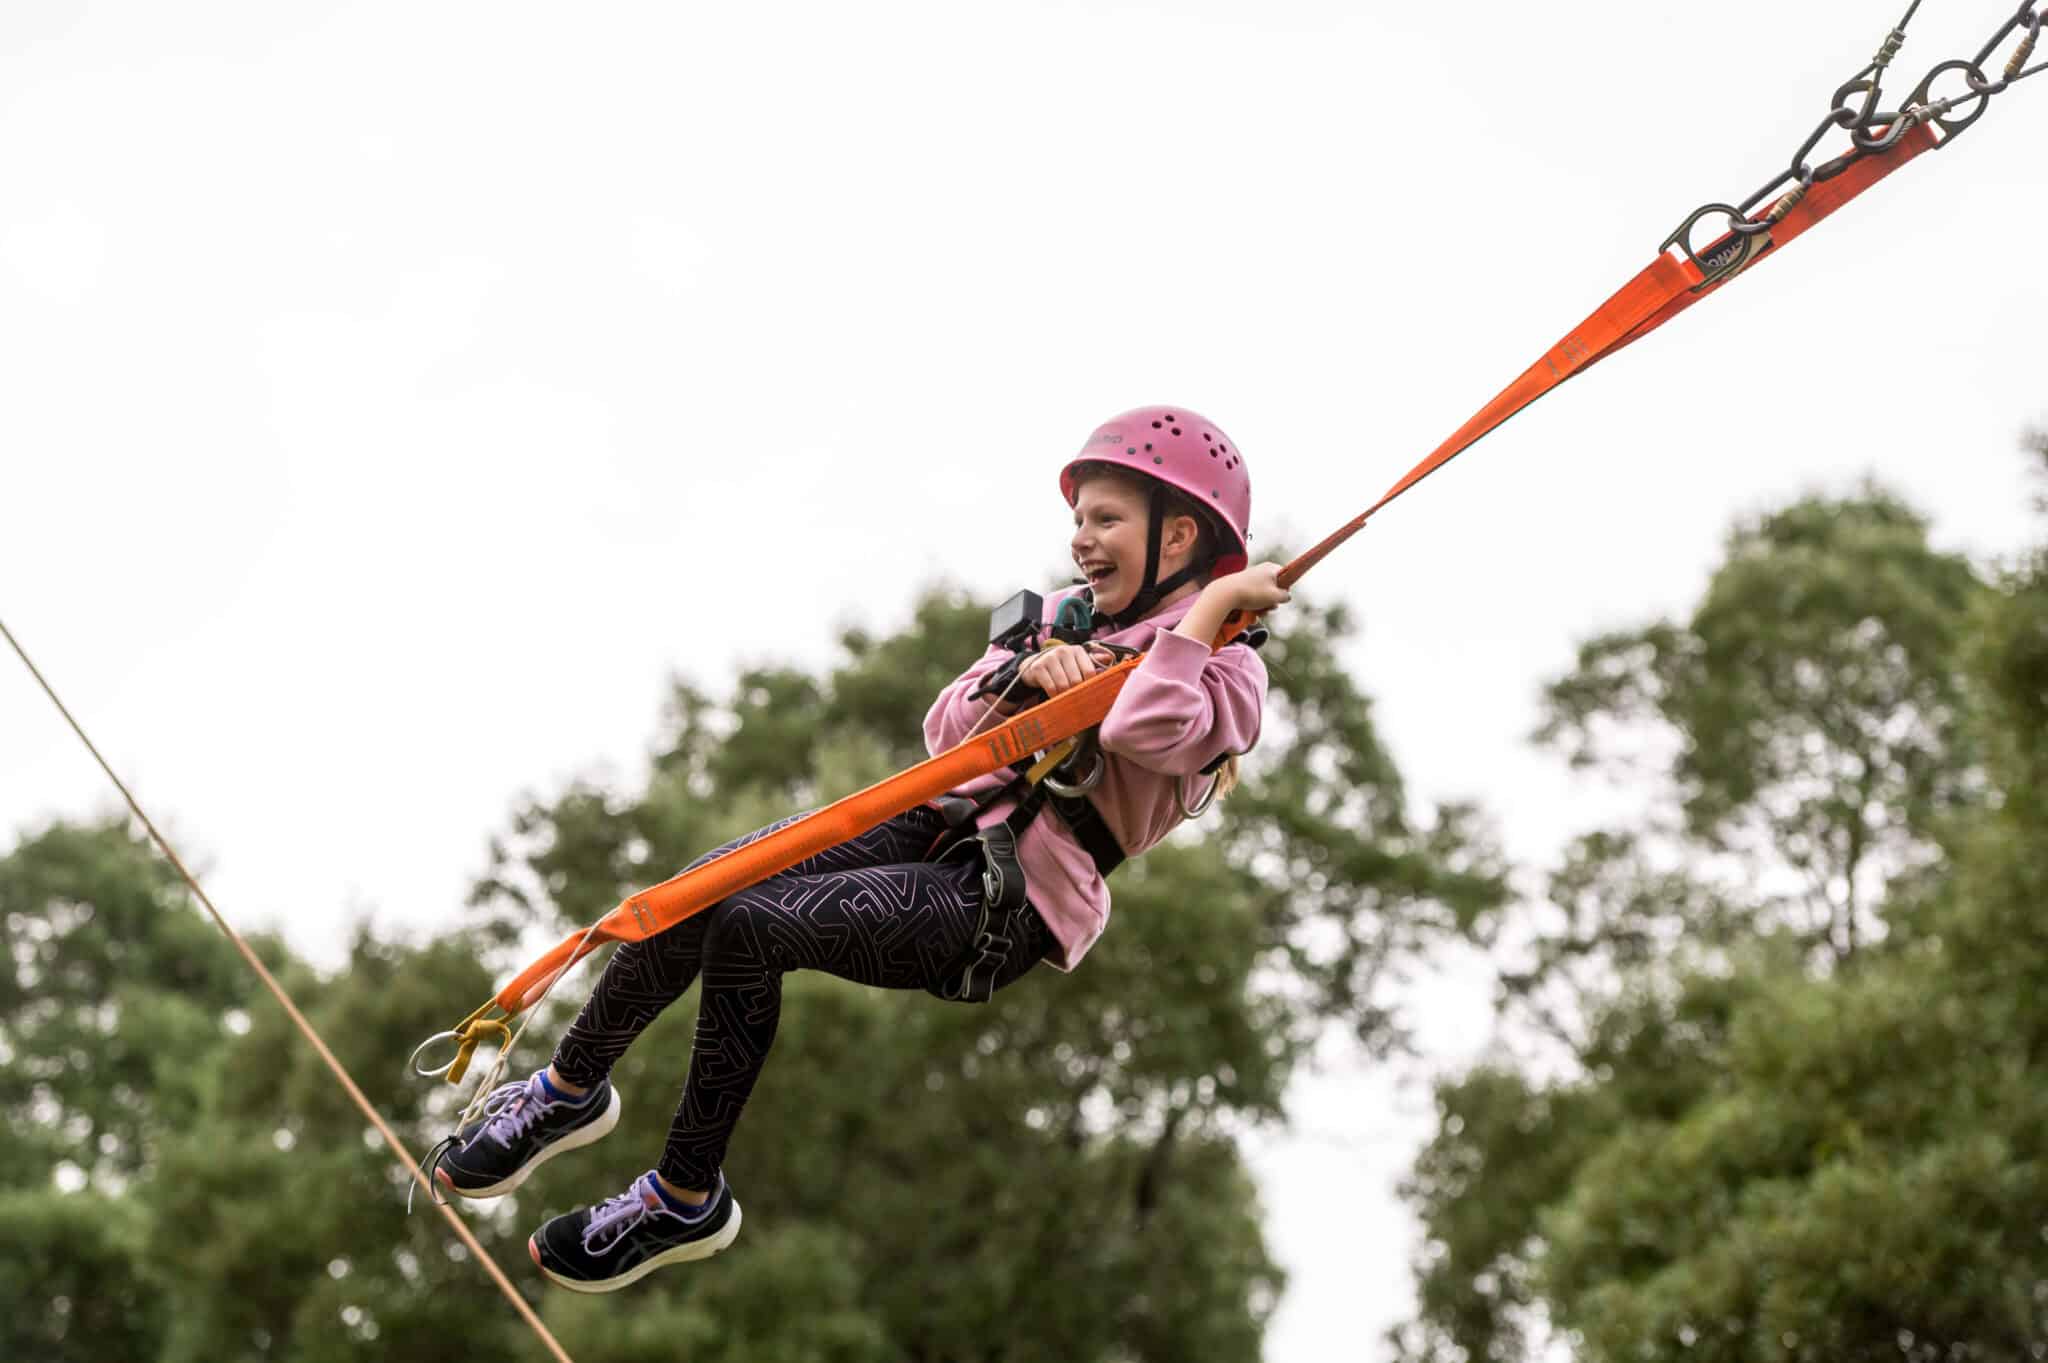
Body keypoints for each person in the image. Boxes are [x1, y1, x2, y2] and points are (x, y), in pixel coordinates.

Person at [432, 405, 1288, 1293]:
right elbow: (943, 728)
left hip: (1009, 899)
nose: (1081, 541)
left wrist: (1213, 608)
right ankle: (567, 1091)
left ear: (1179, 533)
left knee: (754, 927)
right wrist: (1020, 674)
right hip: (938, 820)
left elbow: (1154, 727)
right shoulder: (1062, 619)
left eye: (1106, 520)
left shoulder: (1228, 666)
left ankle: (683, 1194)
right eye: (1078, 520)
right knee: (703, 889)